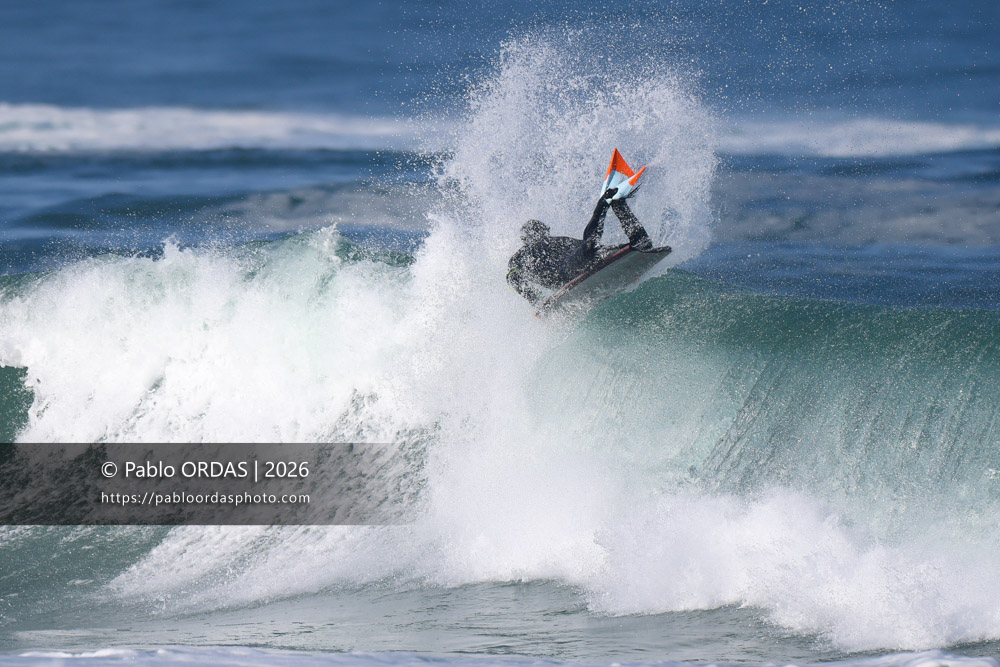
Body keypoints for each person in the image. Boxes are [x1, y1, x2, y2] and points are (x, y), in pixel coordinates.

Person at [506, 187, 653, 304]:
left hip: (575, 266)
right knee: (636, 244)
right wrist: (536, 300)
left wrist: (535, 301)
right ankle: (615, 205)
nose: (541, 237)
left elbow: (513, 279)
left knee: (593, 247)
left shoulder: (553, 242)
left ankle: (615, 205)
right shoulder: (522, 255)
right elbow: (513, 278)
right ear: (527, 239)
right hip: (568, 271)